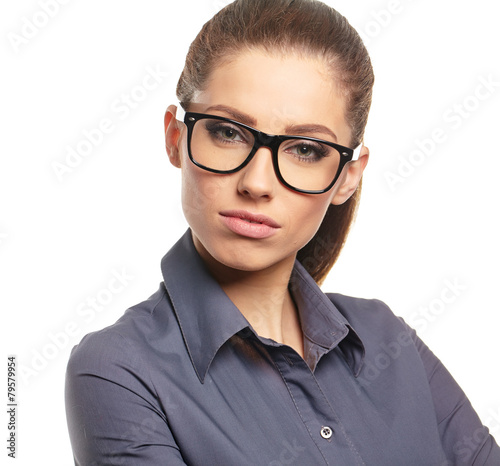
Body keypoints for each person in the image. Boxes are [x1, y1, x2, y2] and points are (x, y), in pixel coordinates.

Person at [65, 0, 500, 464]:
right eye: (228, 132)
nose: (255, 183)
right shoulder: (119, 370)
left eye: (306, 150)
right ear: (176, 137)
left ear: (348, 177)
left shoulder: (389, 340)